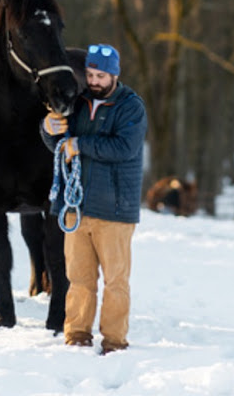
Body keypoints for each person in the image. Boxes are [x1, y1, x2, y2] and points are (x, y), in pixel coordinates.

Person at [40, 43, 147, 355]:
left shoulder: (131, 107)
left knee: (116, 281)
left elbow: (124, 148)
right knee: (78, 278)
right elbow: (61, 144)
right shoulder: (78, 102)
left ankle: (114, 341)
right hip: (77, 208)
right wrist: (47, 129)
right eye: (90, 75)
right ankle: (77, 334)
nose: (94, 81)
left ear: (114, 75)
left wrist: (80, 144)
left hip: (115, 210)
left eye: (101, 76)